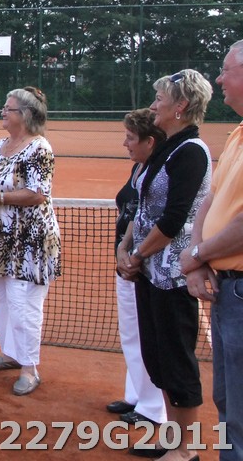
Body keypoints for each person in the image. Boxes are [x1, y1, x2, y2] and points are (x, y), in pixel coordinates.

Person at [117, 68, 213, 460]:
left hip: (173, 276)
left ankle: (187, 449)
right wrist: (127, 249)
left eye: (160, 98)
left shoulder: (191, 152)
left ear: (181, 106)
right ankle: (171, 439)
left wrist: (137, 255)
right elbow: (140, 208)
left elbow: (173, 220)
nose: (154, 104)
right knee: (158, 357)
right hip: (149, 274)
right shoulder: (166, 148)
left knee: (176, 360)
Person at [0, 87, 61, 396]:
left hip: (28, 240)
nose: (3, 112)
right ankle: (11, 353)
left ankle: (29, 369)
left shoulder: (39, 148)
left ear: (26, 115)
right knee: (0, 300)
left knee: (23, 304)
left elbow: (37, 194)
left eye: (9, 108)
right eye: (4, 107)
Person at [180, 40, 243, 461]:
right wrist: (198, 258)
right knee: (228, 402)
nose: (218, 79)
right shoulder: (238, 134)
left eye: (226, 70)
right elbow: (211, 199)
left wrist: (198, 254)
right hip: (227, 289)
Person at [106, 109, 167, 424]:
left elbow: (162, 219)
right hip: (127, 261)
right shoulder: (138, 168)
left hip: (145, 265)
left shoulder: (160, 171)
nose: (125, 143)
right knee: (131, 334)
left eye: (130, 137)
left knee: (148, 336)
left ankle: (153, 408)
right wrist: (122, 249)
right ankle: (137, 395)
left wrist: (135, 255)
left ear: (149, 141)